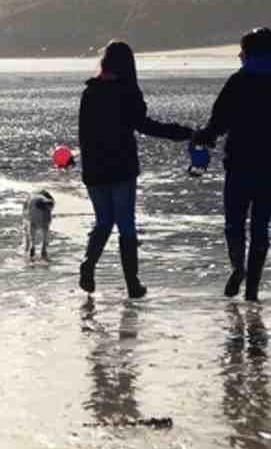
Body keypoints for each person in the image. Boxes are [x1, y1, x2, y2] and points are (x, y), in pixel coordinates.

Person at [76, 40, 195, 298]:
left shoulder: (90, 91)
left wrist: (86, 166)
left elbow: (83, 135)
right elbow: (145, 125)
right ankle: (132, 284)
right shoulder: (127, 90)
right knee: (126, 225)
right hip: (121, 167)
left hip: (95, 168)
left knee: (104, 222)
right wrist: (183, 133)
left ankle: (88, 266)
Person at [193, 26, 271, 302]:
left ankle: (238, 268)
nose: (239, 54)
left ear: (249, 53)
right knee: (260, 227)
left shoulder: (238, 81)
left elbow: (219, 121)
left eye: (242, 50)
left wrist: (202, 139)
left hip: (241, 163)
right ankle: (252, 292)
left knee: (234, 224)